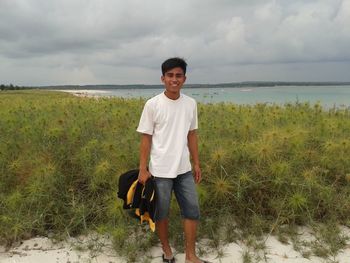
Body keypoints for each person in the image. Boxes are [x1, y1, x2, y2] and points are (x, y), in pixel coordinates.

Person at [137, 57, 209, 263]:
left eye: (178, 75)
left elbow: (192, 135)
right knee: (161, 213)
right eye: (170, 75)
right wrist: (143, 169)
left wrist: (196, 163)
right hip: (159, 171)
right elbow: (146, 138)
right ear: (163, 78)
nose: (174, 79)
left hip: (184, 169)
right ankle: (167, 250)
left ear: (184, 79)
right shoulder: (152, 104)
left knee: (192, 210)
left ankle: (190, 255)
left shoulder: (190, 104)